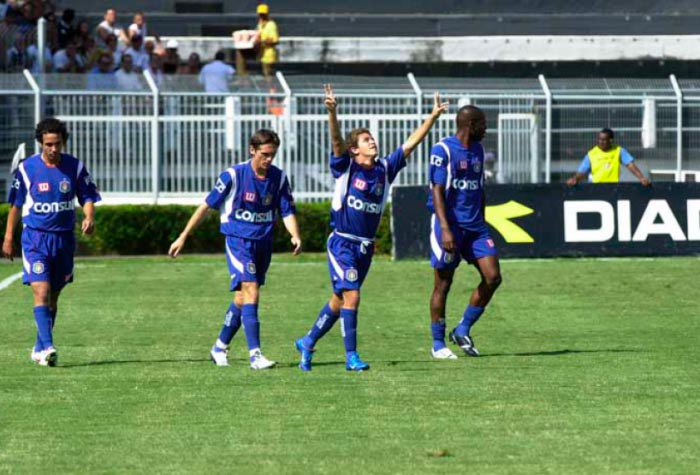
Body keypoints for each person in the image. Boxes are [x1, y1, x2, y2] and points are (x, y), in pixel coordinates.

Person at [294, 85, 448, 372]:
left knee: (340, 299)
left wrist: (433, 116)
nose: (373, 142)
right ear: (355, 149)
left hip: (365, 246)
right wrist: (332, 112)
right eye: (366, 140)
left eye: (372, 138)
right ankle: (351, 356)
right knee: (353, 295)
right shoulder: (346, 168)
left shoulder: (385, 169)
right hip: (342, 243)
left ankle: (308, 340)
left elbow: (410, 144)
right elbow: (337, 143)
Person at [168, 129, 302, 370]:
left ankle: (219, 347)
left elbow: (287, 211)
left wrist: (295, 235)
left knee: (242, 298)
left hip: (264, 242)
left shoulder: (279, 178)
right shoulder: (233, 175)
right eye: (264, 154)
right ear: (252, 150)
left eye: (272, 155)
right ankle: (255, 355)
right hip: (238, 241)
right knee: (251, 291)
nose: (269, 159)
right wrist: (183, 237)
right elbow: (206, 207)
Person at [2, 118, 100, 366]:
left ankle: (39, 347)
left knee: (53, 296)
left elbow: (87, 195)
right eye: (48, 144)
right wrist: (8, 237)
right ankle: (48, 347)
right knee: (41, 291)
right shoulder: (27, 169)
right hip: (35, 239)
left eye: (57, 144)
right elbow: (15, 205)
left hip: (64, 240)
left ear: (63, 142)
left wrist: (89, 216)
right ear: (40, 143)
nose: (53, 149)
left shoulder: (75, 167)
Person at [427, 105, 502, 359]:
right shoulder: (443, 149)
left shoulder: (479, 150)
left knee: (493, 277)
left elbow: (479, 188)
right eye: (483, 123)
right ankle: (438, 343)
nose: (486, 128)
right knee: (443, 284)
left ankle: (463, 329)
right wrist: (446, 229)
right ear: (470, 125)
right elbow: (437, 190)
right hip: (450, 227)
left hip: (476, 228)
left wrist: (482, 220)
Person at [567, 128, 651, 186]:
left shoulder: (619, 151)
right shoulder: (591, 154)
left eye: (604, 140)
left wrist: (642, 178)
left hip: (613, 187)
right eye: (599, 139)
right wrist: (575, 179)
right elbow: (582, 171)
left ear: (611, 140)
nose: (601, 142)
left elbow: (630, 165)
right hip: (595, 188)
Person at [255, 3, 279, 80]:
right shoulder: (260, 25)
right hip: (262, 55)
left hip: (269, 55)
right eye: (260, 14)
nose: (261, 16)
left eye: (263, 14)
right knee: (265, 75)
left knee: (269, 75)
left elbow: (274, 40)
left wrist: (262, 42)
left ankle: (272, 90)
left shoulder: (271, 24)